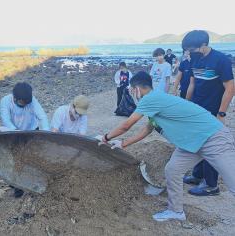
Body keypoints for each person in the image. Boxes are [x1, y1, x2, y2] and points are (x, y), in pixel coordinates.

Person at [100, 71, 235, 222]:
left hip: (212, 137)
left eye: (132, 89)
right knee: (173, 169)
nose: (131, 92)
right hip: (191, 142)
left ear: (137, 88)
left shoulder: (151, 99)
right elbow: (147, 129)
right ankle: (176, 211)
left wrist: (105, 137)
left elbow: (126, 125)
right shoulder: (154, 100)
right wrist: (123, 143)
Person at [182, 30, 234, 196]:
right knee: (197, 142)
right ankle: (198, 175)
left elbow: (230, 88)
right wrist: (187, 104)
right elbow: (193, 83)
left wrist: (221, 114)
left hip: (213, 110)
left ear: (204, 45)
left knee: (210, 146)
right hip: (197, 109)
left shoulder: (220, 60)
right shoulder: (194, 59)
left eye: (191, 49)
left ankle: (211, 185)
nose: (189, 53)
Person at [0, 82, 50, 197]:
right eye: (22, 103)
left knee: (34, 158)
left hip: (31, 130)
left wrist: (47, 132)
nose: (25, 105)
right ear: (14, 97)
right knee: (16, 160)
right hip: (13, 133)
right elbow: (6, 120)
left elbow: (42, 116)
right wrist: (17, 133)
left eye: (27, 103)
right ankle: (18, 186)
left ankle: (35, 182)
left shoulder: (32, 100)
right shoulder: (5, 101)